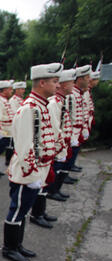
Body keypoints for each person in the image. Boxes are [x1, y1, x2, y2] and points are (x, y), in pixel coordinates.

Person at [3, 62, 62, 261]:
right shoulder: (29, 109)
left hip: (36, 171)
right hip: (26, 173)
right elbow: (25, 145)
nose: (57, 86)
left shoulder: (40, 106)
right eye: (54, 81)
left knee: (24, 210)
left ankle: (17, 244)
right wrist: (31, 174)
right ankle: (9, 248)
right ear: (42, 82)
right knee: (17, 209)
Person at [45, 69, 75, 202]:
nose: (73, 85)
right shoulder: (54, 103)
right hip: (55, 147)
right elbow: (54, 129)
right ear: (63, 85)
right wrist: (59, 146)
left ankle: (54, 191)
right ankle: (39, 211)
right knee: (46, 182)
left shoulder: (60, 101)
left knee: (55, 173)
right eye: (71, 83)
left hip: (61, 145)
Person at [65, 65, 91, 177]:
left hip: (77, 130)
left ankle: (63, 177)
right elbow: (69, 116)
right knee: (65, 158)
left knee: (70, 156)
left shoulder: (77, 93)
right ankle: (56, 186)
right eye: (87, 77)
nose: (89, 79)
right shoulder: (71, 95)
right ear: (80, 79)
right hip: (72, 130)